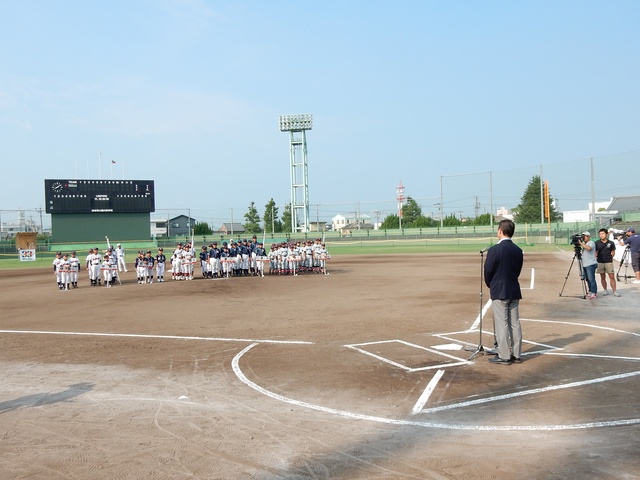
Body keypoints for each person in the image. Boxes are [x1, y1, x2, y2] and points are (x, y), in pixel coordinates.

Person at [484, 219, 524, 365]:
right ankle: (517, 354)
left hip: (499, 290)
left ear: (501, 231)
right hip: (513, 288)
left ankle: (504, 355)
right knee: (515, 323)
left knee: (502, 324)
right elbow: (517, 270)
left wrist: (491, 284)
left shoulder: (494, 250)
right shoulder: (518, 250)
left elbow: (488, 270)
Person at [595, 228, 619, 296]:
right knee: (602, 277)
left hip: (608, 261)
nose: (601, 235)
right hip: (600, 261)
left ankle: (614, 291)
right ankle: (605, 290)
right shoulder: (597, 243)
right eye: (600, 234)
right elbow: (595, 252)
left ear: (606, 234)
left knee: (611, 276)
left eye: (602, 234)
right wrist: (596, 257)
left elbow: (613, 252)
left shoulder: (611, 243)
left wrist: (611, 257)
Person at [579, 231, 598, 299]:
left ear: (589, 237)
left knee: (591, 279)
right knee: (587, 279)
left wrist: (581, 243)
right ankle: (590, 291)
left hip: (590, 264)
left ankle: (594, 292)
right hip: (585, 264)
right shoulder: (585, 244)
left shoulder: (591, 243)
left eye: (585, 236)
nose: (584, 237)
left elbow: (589, 248)